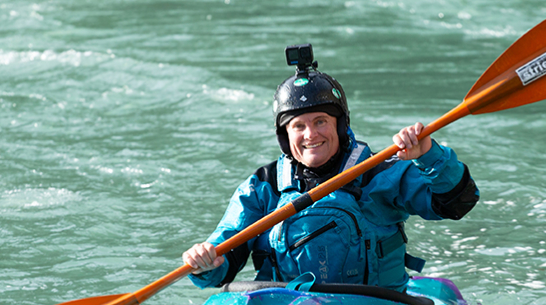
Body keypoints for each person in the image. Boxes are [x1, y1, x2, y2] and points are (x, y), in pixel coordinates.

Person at [183, 45, 479, 292]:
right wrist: (206, 262)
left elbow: (456, 202)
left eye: (320, 121)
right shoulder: (263, 187)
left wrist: (428, 155)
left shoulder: (380, 172)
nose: (311, 134)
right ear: (285, 136)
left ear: (339, 125)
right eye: (298, 126)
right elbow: (224, 259)